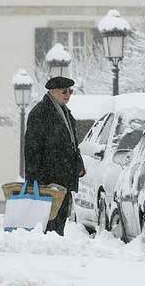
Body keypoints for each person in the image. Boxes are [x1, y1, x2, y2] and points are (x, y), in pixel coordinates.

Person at [24, 76, 86, 236]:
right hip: (48, 177)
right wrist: (34, 179)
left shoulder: (65, 112)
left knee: (60, 218)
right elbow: (32, 148)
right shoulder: (40, 113)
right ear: (52, 91)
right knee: (48, 220)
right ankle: (48, 251)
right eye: (64, 91)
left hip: (63, 176)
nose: (68, 95)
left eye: (70, 91)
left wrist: (78, 164)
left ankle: (56, 246)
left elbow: (72, 142)